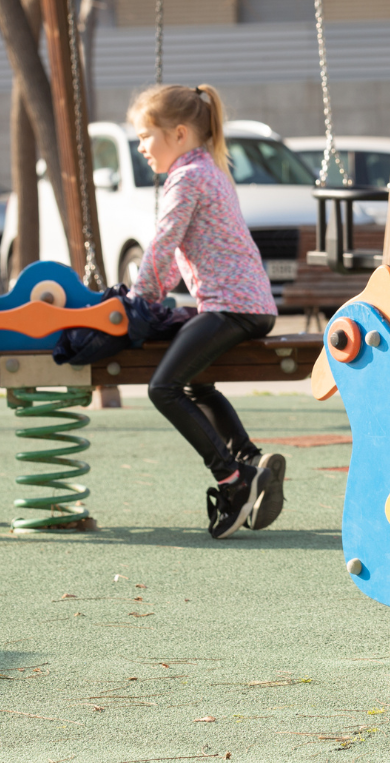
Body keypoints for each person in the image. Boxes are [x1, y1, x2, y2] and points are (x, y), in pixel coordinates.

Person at [128, 83, 286, 540]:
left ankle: (233, 481)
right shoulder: (208, 169)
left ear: (178, 133)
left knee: (163, 388)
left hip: (233, 307)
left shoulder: (188, 177)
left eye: (145, 136)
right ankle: (251, 461)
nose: (141, 147)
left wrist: (137, 303)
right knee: (196, 383)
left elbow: (162, 245)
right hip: (245, 303)